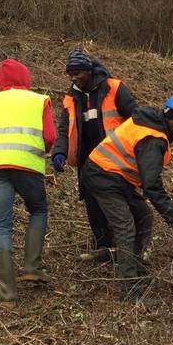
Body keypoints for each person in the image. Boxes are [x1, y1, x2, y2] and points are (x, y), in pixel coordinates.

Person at [80, 94, 173, 305]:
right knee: (125, 228)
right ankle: (130, 291)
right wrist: (171, 214)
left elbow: (145, 178)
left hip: (117, 176)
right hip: (102, 175)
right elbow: (151, 184)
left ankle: (135, 266)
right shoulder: (153, 139)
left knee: (143, 216)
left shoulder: (152, 123)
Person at [51, 49, 138, 260]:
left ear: (89, 71)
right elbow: (64, 129)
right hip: (87, 161)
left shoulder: (114, 88)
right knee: (92, 202)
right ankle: (103, 246)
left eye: (77, 73)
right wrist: (59, 152)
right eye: (70, 74)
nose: (73, 78)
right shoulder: (72, 98)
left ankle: (128, 247)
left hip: (115, 159)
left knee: (121, 200)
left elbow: (136, 118)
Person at [0, 59, 57, 307]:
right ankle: (32, 268)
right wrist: (42, 150)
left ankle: (7, 294)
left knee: (1, 226)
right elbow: (50, 136)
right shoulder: (39, 100)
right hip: (28, 167)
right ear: (25, 78)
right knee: (38, 210)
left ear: (1, 81)